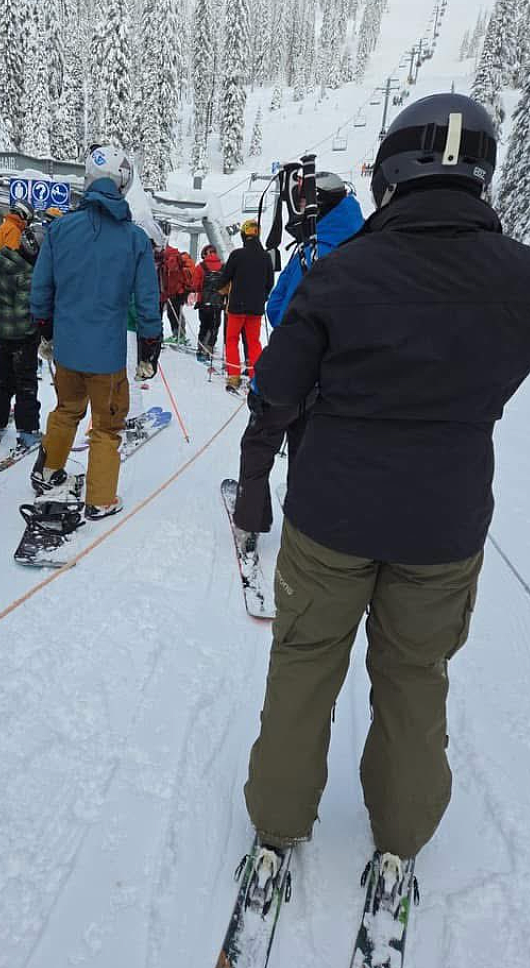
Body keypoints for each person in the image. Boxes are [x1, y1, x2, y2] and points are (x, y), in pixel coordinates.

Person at [243, 95, 530, 893]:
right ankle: (402, 832)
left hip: (332, 513)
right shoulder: (519, 275)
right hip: (445, 522)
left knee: (304, 663)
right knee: (415, 674)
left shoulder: (342, 271)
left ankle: (277, 821)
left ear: (396, 169)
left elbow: (276, 387)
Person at [232, 173, 364, 552]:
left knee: (259, 445)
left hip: (289, 372)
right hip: (334, 379)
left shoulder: (313, 250)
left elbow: (279, 309)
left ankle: (250, 523)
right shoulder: (366, 246)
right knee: (307, 452)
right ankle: (303, 526)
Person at [29, 144, 162, 520]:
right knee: (106, 425)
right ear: (122, 184)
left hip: (68, 349)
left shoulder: (59, 229)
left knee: (67, 408)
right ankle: (100, 497)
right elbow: (147, 300)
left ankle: (49, 470)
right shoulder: (134, 239)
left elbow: (41, 290)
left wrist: (46, 330)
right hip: (106, 356)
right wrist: (150, 345)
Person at [0, 228, 42, 456]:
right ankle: (27, 430)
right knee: (26, 383)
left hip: (0, 333)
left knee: (3, 379)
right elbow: (29, 310)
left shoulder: (1, 260)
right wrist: (37, 330)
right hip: (21, 337)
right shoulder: (28, 275)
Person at [216, 219, 274, 390]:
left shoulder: (237, 255)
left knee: (232, 340)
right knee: (254, 342)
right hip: (256, 309)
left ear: (243, 235)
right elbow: (269, 283)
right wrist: (260, 298)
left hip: (236, 307)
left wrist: (220, 290)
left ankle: (233, 376)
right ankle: (255, 376)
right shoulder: (265, 257)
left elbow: (224, 278)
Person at [191, 243, 224, 363]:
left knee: (204, 326)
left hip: (204, 302)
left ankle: (200, 350)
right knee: (214, 326)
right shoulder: (223, 266)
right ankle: (209, 349)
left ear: (205, 254)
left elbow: (195, 284)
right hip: (218, 302)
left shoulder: (201, 267)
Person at [157, 240, 194, 343]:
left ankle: (177, 335)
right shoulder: (177, 255)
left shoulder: (166, 256)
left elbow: (169, 276)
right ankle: (180, 335)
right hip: (181, 290)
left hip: (173, 291)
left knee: (172, 313)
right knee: (176, 312)